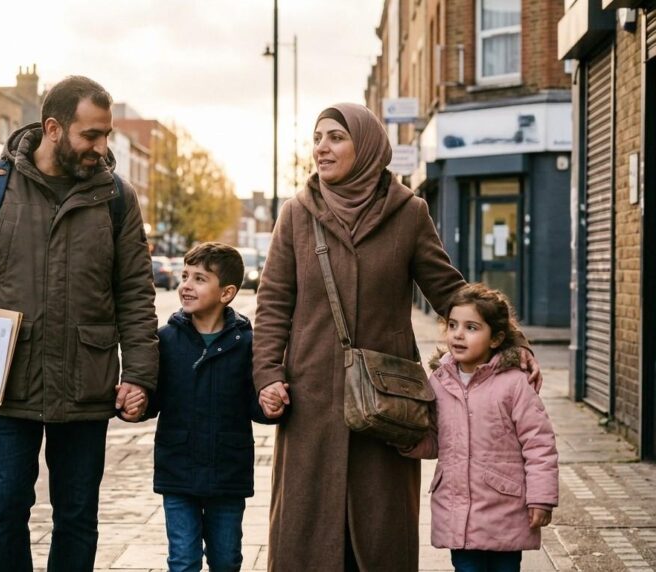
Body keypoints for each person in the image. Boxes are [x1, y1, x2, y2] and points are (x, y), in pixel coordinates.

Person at [251, 102, 542, 571]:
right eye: (318, 138)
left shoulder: (408, 212)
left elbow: (450, 291)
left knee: (380, 532)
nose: (322, 148)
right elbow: (273, 304)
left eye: (336, 137)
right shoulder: (296, 214)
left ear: (365, 147)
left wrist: (512, 341)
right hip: (311, 397)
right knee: (307, 532)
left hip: (386, 402)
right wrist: (267, 375)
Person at [0, 76, 158, 572]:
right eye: (91, 135)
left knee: (77, 514)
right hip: (6, 381)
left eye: (106, 136)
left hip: (86, 383)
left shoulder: (117, 198)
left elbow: (136, 294)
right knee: (5, 505)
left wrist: (139, 375)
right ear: (53, 128)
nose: (101, 147)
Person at [401, 283, 558, 572]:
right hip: (457, 510)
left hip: (505, 509)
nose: (458, 334)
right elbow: (436, 439)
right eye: (452, 325)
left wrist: (542, 497)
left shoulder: (513, 384)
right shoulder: (439, 380)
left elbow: (539, 444)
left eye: (472, 328)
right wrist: (409, 441)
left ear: (496, 338)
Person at [144, 242, 277, 572]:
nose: (186, 285)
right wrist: (135, 402)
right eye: (185, 275)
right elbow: (152, 399)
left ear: (227, 293)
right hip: (178, 470)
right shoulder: (166, 340)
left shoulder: (247, 344)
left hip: (227, 473)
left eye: (199, 279)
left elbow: (255, 403)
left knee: (226, 559)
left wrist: (269, 405)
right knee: (183, 559)